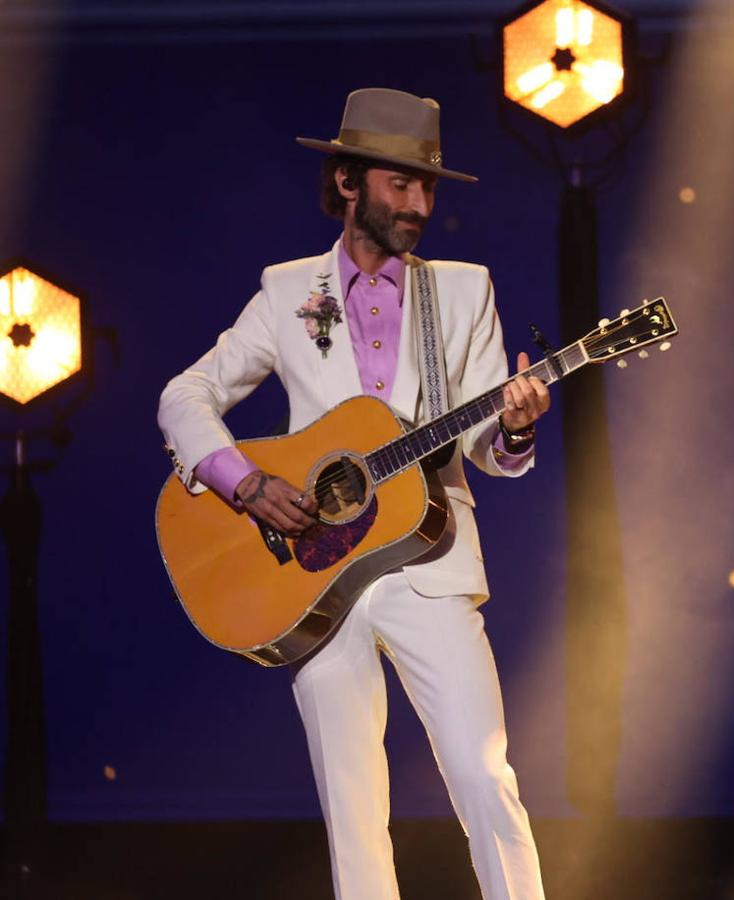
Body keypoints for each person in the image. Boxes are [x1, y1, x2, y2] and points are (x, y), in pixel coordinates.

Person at [157, 87, 548, 900]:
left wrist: (511, 429)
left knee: (484, 774)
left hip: (427, 559)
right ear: (348, 183)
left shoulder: (465, 290)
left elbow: (482, 446)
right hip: (314, 574)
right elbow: (183, 398)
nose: (419, 204)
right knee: (353, 806)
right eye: (400, 185)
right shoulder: (285, 290)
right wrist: (249, 482)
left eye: (428, 188)